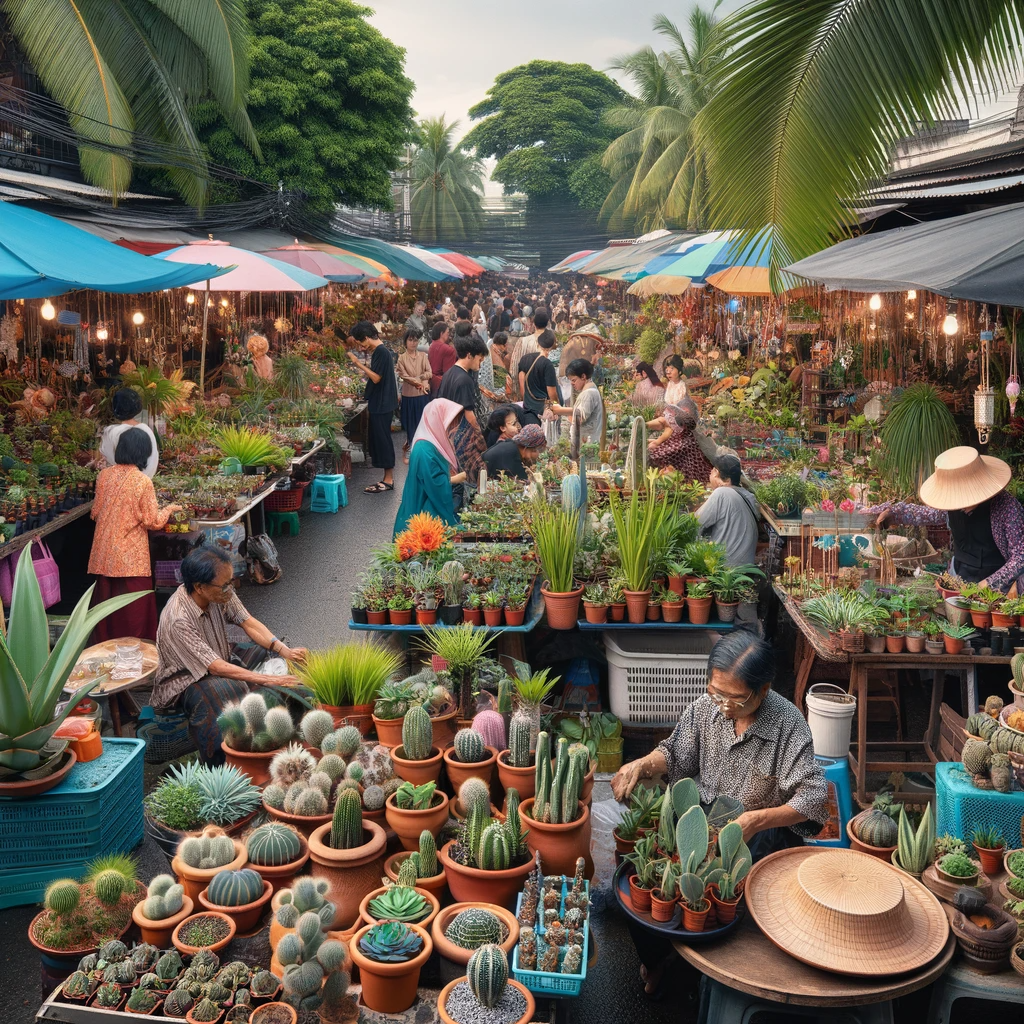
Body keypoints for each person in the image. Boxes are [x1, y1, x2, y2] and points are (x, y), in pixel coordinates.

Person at [611, 631, 826, 997]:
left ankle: (713, 979)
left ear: (763, 690)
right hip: (700, 822)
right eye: (716, 692)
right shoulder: (706, 707)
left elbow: (813, 795)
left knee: (725, 912)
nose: (723, 705)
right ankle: (660, 958)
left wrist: (756, 820)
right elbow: (677, 753)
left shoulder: (788, 724)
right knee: (639, 888)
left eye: (735, 698)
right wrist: (643, 764)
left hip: (756, 836)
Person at [152, 546, 306, 764]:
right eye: (225, 585)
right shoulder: (178, 618)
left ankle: (284, 726)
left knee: (271, 655)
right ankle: (223, 762)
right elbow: (214, 668)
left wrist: (284, 650)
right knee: (225, 690)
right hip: (186, 679)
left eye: (231, 581)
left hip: (219, 656)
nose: (230, 589)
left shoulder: (221, 592)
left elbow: (247, 621)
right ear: (199, 587)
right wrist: (271, 679)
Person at [872, 446, 1024, 593]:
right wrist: (894, 514)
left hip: (999, 588)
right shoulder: (952, 504)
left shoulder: (1007, 508)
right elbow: (926, 513)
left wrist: (988, 584)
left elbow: (1020, 557)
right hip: (959, 576)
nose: (959, 503)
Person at [89, 428, 183, 642]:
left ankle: (106, 648)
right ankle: (135, 651)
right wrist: (170, 509)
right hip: (131, 557)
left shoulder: (104, 476)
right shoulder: (142, 481)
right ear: (144, 453)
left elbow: (95, 512)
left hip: (104, 554)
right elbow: (152, 521)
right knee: (133, 610)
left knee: (106, 608)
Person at [394, 399, 477, 534]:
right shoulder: (423, 449)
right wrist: (457, 478)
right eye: (451, 421)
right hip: (424, 513)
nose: (454, 426)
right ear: (437, 420)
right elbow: (434, 484)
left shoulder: (432, 442)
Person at [346, 321, 398, 493]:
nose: (361, 347)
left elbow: (376, 378)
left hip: (382, 403)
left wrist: (357, 363)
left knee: (383, 440)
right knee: (381, 440)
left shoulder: (381, 352)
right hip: (381, 402)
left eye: (361, 342)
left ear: (367, 338)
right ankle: (386, 478)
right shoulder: (380, 352)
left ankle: (388, 480)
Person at [695, 453, 761, 565]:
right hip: (745, 568)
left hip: (725, 570)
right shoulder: (749, 496)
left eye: (712, 470)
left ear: (717, 474)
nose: (710, 473)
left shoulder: (722, 493)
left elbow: (694, 524)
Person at [647, 399, 714, 483]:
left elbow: (675, 448)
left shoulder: (693, 433)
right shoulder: (676, 429)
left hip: (689, 473)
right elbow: (667, 437)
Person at [99, 387, 159, 478]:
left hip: (119, 483)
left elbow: (107, 460)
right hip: (146, 482)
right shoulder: (146, 430)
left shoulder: (111, 432)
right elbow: (153, 460)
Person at [552, 358, 604, 459]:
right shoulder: (589, 391)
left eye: (574, 380)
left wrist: (561, 410)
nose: (572, 383)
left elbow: (580, 416)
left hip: (586, 444)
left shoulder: (588, 393)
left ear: (583, 376)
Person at [396, 328, 432, 462]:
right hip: (408, 396)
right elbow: (403, 376)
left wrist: (422, 378)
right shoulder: (401, 358)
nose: (413, 343)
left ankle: (422, 450)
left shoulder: (423, 356)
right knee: (410, 424)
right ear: (405, 342)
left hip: (422, 396)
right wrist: (418, 381)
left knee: (422, 423)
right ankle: (412, 448)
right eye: (410, 340)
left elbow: (429, 372)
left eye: (415, 340)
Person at [438, 334, 487, 431]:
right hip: (459, 431)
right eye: (479, 360)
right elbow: (469, 414)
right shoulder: (465, 380)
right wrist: (479, 434)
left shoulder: (449, 373)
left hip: (447, 427)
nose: (480, 365)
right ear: (469, 356)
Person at [518, 329, 559, 427]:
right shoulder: (547, 364)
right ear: (552, 346)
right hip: (542, 411)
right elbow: (552, 393)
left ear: (538, 343)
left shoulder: (526, 359)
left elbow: (521, 382)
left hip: (528, 409)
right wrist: (556, 407)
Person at [428, 320, 456, 395]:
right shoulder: (448, 350)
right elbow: (449, 374)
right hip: (442, 387)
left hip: (430, 383)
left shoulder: (432, 345)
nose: (448, 335)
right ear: (441, 333)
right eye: (447, 333)